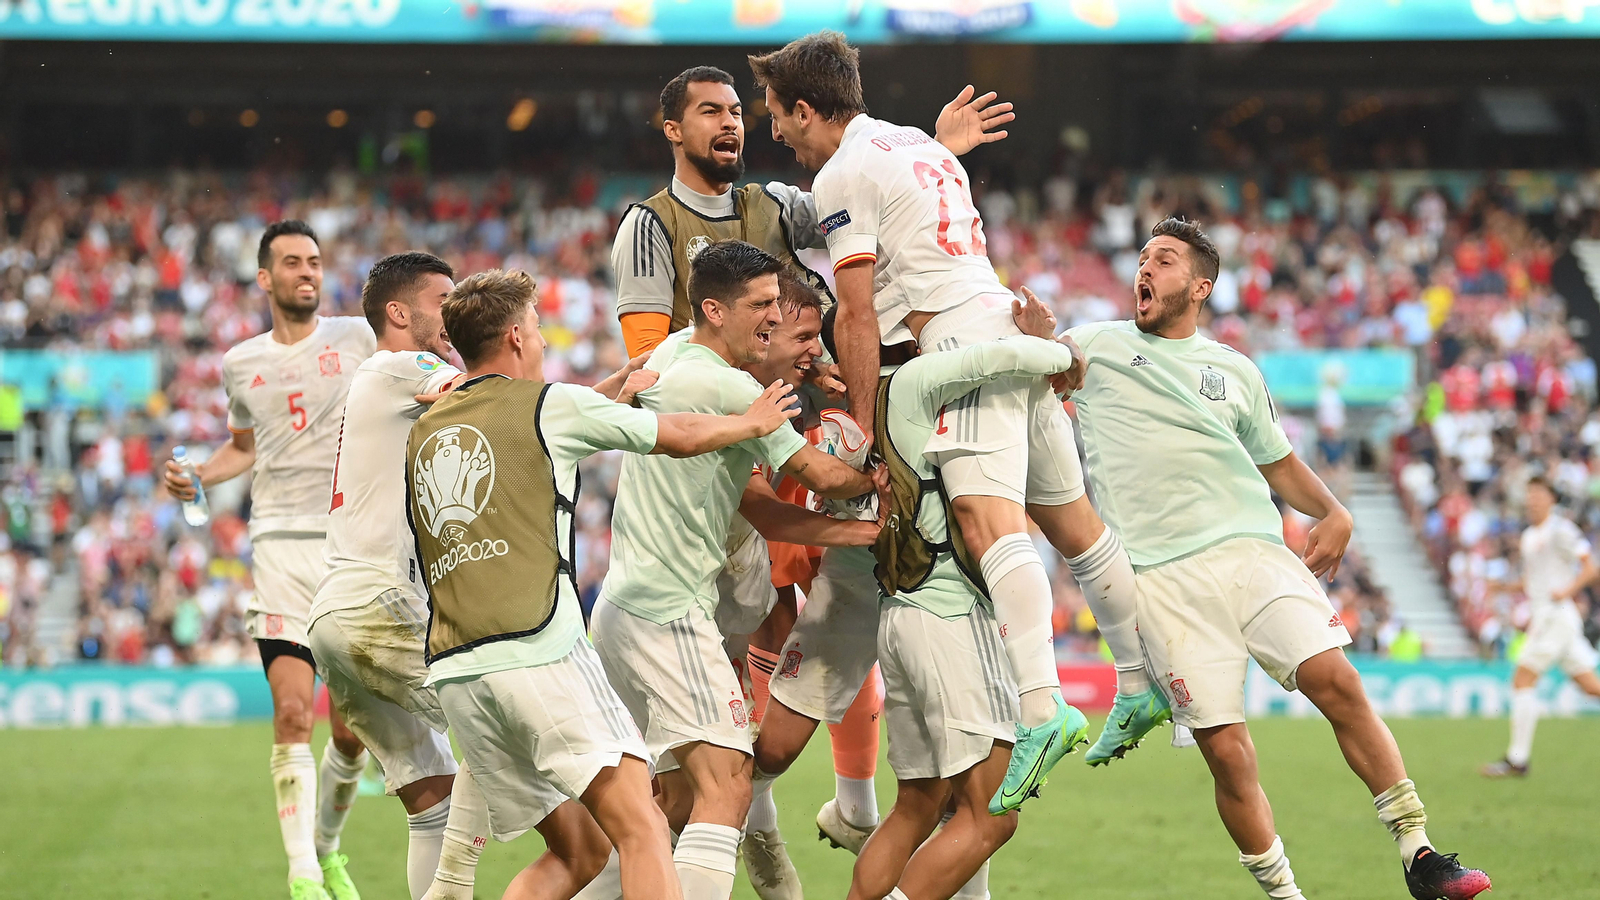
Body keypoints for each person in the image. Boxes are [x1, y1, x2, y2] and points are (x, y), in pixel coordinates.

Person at [749, 32, 1158, 814]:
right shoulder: (912, 147)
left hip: (960, 345)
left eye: (778, 115)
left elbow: (861, 314)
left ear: (807, 107)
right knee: (1073, 522)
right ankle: (1139, 681)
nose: (777, 133)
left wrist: (864, 425)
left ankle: (1041, 711)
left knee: (985, 521)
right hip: (1003, 321)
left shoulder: (842, 172)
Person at [1064, 216, 1490, 900]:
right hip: (1161, 581)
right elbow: (1030, 368)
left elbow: (1280, 464)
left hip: (1253, 552)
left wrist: (1334, 511)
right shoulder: (1093, 347)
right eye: (1143, 258)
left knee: (1339, 684)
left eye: (1164, 260)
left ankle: (1419, 853)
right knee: (1228, 755)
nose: (1145, 269)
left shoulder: (1234, 370)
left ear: (1198, 286)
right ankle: (1287, 895)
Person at [406, 267, 802, 900]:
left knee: (578, 852)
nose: (541, 342)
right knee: (643, 827)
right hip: (538, 652)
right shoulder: (550, 405)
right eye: (535, 330)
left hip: (456, 671)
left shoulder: (429, 431)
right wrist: (752, 424)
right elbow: (678, 434)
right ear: (514, 336)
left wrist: (612, 390)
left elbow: (528, 433)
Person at [591, 240, 876, 900]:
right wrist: (876, 493)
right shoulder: (733, 390)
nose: (774, 319)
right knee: (729, 783)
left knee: (672, 808)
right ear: (714, 310)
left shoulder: (669, 357)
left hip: (628, 610)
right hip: (671, 617)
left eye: (781, 305)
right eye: (763, 306)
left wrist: (806, 375)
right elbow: (814, 476)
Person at [164, 220, 372, 900]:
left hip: (350, 547)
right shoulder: (239, 363)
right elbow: (245, 448)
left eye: (314, 260)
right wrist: (198, 473)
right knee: (291, 714)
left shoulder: (357, 338)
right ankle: (303, 876)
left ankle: (327, 847)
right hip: (279, 546)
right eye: (292, 262)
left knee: (351, 732)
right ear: (266, 278)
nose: (307, 271)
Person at [849, 309, 1085, 900]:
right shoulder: (912, 382)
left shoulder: (867, 402)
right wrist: (1059, 351)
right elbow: (995, 359)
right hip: (949, 613)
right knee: (990, 815)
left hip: (899, 614)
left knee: (917, 804)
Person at [304, 252, 492, 900]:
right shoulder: (400, 366)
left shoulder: (381, 385)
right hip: (375, 599)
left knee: (432, 798)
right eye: (444, 299)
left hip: (338, 612)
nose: (455, 313)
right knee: (520, 725)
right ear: (399, 311)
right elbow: (490, 401)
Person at [611, 65, 1012, 358]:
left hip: (810, 408)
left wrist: (933, 149)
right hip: (723, 425)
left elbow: (877, 202)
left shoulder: (777, 203)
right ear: (673, 130)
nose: (731, 123)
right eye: (711, 111)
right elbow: (649, 359)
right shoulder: (650, 225)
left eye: (735, 113)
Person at [1482, 476, 1600, 777]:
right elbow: (1531, 581)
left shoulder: (1561, 529)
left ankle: (1517, 760)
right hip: (1547, 616)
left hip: (1556, 616)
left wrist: (1568, 590)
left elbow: (1591, 566)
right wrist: (1504, 587)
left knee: (1522, 679)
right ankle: (1516, 760)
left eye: (1538, 493)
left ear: (1552, 498)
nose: (1532, 499)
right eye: (1529, 493)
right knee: (1590, 687)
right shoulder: (1529, 536)